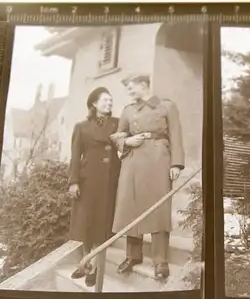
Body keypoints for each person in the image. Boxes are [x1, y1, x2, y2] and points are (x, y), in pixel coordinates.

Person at [110, 73, 185, 281]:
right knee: (131, 206)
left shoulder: (166, 106)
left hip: (158, 160)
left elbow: (176, 135)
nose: (129, 92)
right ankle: (132, 255)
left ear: (144, 85)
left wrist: (176, 164)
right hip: (132, 162)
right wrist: (128, 141)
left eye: (132, 87)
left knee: (158, 208)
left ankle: (160, 260)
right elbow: (118, 136)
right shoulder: (128, 110)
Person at [68, 87, 121, 287]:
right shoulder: (81, 126)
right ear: (94, 104)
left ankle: (96, 269)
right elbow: (75, 156)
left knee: (101, 225)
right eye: (105, 100)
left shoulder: (117, 123)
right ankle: (86, 264)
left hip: (109, 180)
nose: (109, 103)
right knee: (86, 224)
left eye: (111, 100)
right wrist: (73, 181)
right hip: (88, 180)